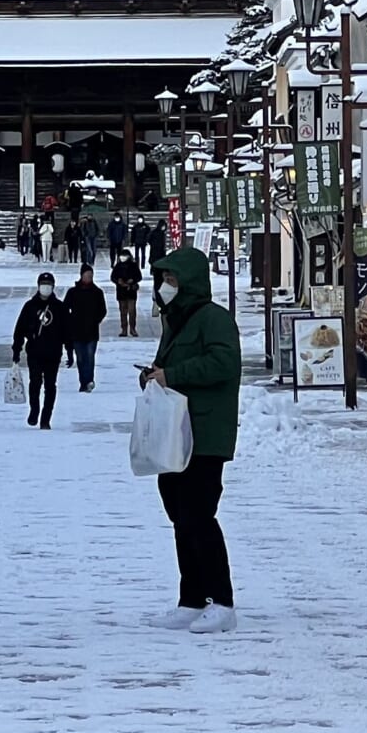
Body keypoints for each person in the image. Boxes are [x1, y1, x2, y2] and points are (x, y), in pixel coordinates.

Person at [141, 247, 241, 633]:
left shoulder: (213, 319)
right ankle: (192, 597)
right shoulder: (175, 320)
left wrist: (174, 374)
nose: (166, 287)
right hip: (175, 434)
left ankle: (222, 600)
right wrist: (155, 375)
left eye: (172, 280)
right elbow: (171, 369)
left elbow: (225, 363)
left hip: (204, 434)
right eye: (163, 280)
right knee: (179, 514)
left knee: (199, 515)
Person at [12, 270, 67, 428]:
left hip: (53, 352)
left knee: (50, 385)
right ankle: (34, 409)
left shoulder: (59, 307)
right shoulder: (30, 306)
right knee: (35, 382)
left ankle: (46, 417)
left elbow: (67, 330)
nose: (45, 288)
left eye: (48, 285)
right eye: (43, 285)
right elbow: (20, 330)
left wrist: (69, 350)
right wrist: (16, 350)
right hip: (35, 351)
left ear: (53, 287)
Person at [63, 263, 108, 391]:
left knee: (90, 357)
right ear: (82, 275)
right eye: (87, 275)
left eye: (91, 275)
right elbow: (65, 309)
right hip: (77, 330)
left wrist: (95, 320)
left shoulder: (97, 292)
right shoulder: (73, 292)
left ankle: (89, 380)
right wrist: (70, 321)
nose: (89, 277)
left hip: (92, 330)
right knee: (80, 358)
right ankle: (83, 381)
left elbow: (103, 310)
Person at [110, 248, 143, 338]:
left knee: (132, 311)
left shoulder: (133, 265)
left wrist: (132, 280)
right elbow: (113, 277)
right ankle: (124, 329)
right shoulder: (118, 266)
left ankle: (132, 328)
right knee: (123, 311)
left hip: (131, 291)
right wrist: (118, 281)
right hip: (121, 291)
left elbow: (139, 276)